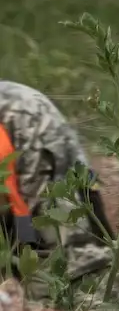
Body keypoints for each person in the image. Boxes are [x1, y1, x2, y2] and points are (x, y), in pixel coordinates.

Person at [0, 81, 112, 295]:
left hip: (28, 126)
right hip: (25, 125)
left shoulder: (20, 113)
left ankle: (95, 303)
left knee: (56, 234)